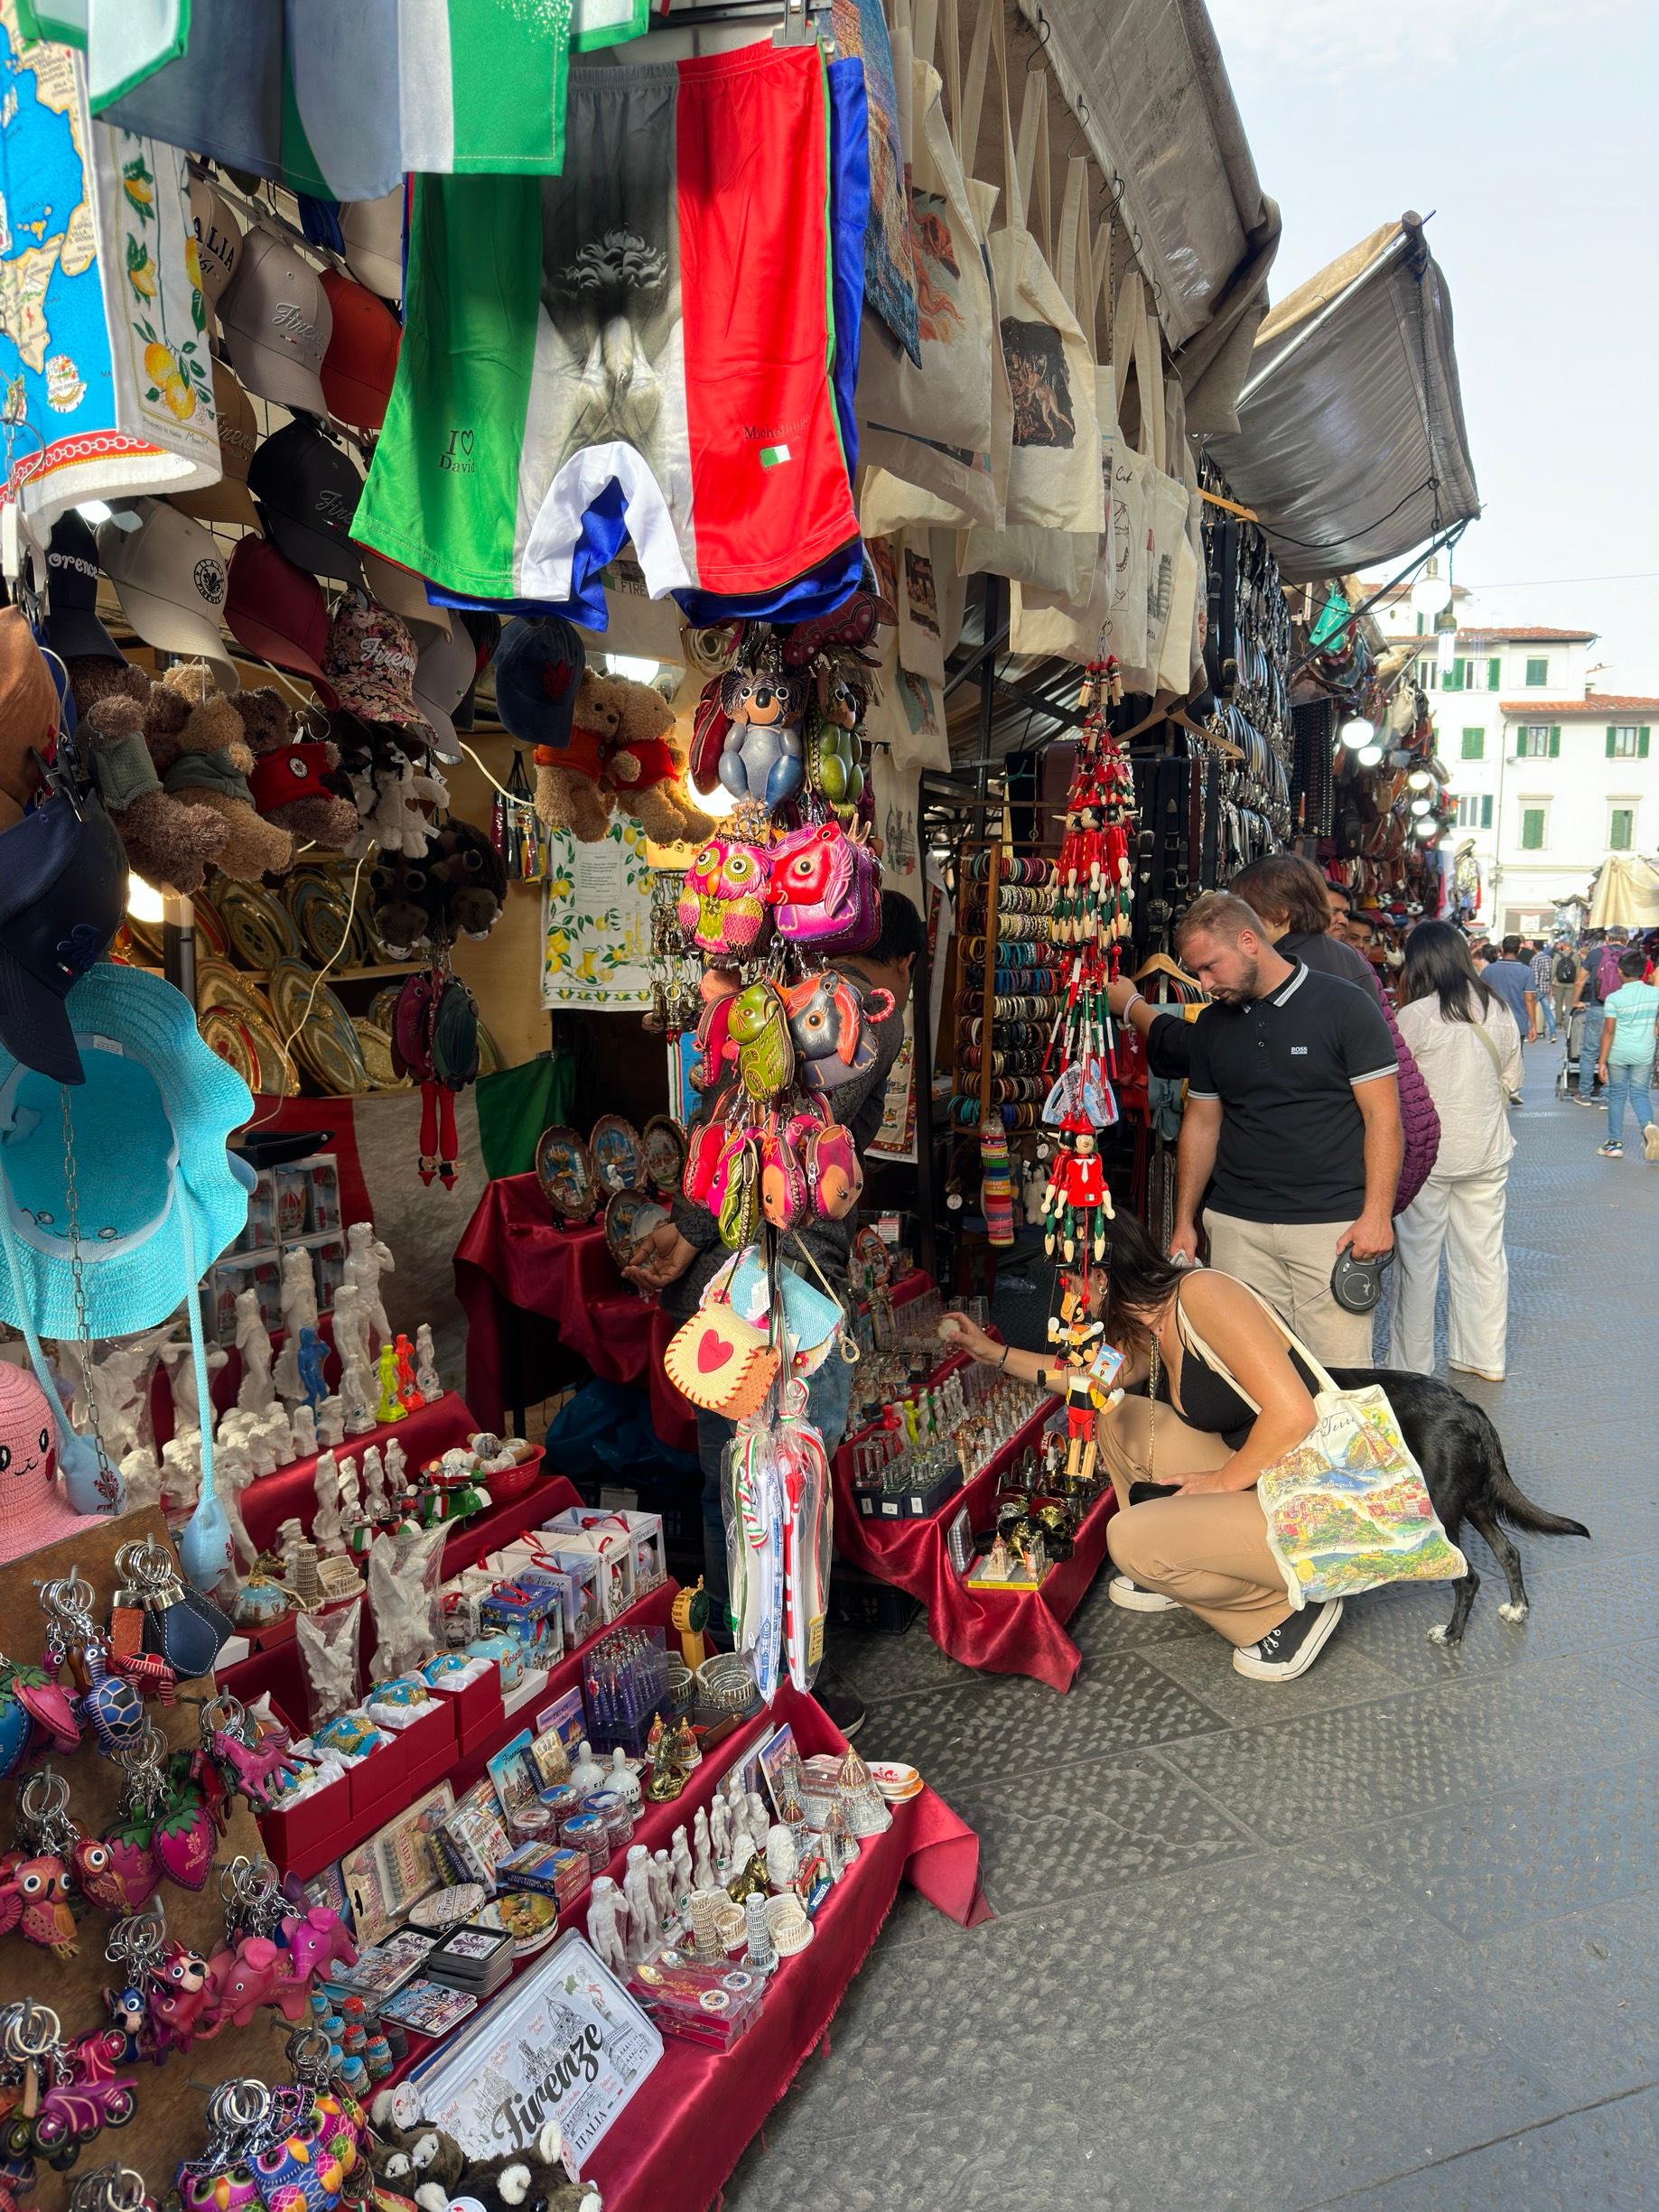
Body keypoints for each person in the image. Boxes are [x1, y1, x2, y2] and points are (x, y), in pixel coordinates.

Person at [624, 890, 923, 1736]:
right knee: (780, 1483)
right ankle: (776, 1674)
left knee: (745, 1480)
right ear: (901, 959)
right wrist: (687, 1234)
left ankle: (752, 1663)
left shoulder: (802, 1008)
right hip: (777, 1288)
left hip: (742, 1275)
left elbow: (728, 1121)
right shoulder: (863, 1015)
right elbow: (746, 1126)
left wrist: (685, 1235)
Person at [941, 1213, 1346, 1683]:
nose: (1067, 1296)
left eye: (1070, 1280)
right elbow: (1090, 1383)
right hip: (1263, 1480)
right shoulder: (1149, 1324)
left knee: (1127, 1539)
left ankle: (1285, 1612)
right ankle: (1182, 1557)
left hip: (1313, 1504)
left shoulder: (1203, 1295)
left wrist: (1221, 1481)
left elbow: (1295, 1414)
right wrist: (995, 1354)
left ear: (1099, 1278)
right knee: (1116, 1413)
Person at [1167, 891, 1403, 1365]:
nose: (1203, 982)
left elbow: (1384, 1117)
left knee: (1340, 1382)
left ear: (1249, 941)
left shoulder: (1345, 1006)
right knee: (1250, 1380)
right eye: (1196, 972)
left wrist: (1377, 1214)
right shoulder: (1213, 1024)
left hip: (1330, 1229)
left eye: (1210, 967)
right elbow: (1201, 1123)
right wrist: (1184, 1222)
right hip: (1237, 1227)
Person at [1388, 923, 1522, 1381]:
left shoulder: (1417, 1016)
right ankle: (1484, 1357)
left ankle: (1412, 1365)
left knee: (1418, 1263)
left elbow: (1396, 1089)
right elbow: (1513, 1080)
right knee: (1484, 1256)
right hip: (1487, 1150)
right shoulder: (1498, 1009)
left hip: (1428, 1158)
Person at [1594, 949, 1659, 1160]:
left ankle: (1614, 1144)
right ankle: (1649, 1128)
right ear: (1643, 973)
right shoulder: (1655, 994)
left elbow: (1609, 1031)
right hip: (1644, 1051)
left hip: (1619, 1053)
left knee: (1617, 1095)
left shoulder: (1614, 998)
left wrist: (1601, 1061)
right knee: (1640, 1093)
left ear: (1620, 972)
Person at [1570, 929, 1621, 1106]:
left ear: (1607, 939)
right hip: (1622, 1010)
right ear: (1627, 940)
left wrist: (1575, 1001)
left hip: (1598, 1006)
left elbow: (1580, 981)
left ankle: (1585, 1094)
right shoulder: (1633, 955)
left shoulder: (1595, 954)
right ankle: (1607, 1097)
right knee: (1613, 1053)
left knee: (1590, 1051)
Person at [1481, 935, 1538, 1045]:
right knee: (1516, 1057)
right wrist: (1533, 1025)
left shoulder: (1488, 971)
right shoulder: (1527, 972)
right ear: (1519, 950)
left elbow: (1481, 997)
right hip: (1517, 1022)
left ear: (1502, 949)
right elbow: (1529, 999)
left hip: (1493, 1021)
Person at [1547, 936, 1580, 1046]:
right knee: (1569, 1004)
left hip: (1558, 983)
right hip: (1571, 984)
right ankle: (1567, 1023)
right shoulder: (1575, 956)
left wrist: (1551, 981)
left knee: (1558, 1003)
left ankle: (1558, 1022)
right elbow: (1578, 970)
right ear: (1570, 946)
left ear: (1564, 946)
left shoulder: (1557, 955)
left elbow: (1553, 969)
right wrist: (1576, 982)